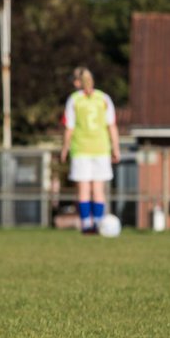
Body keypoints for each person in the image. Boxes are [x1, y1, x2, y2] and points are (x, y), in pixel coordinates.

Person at [59, 67, 120, 234]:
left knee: (84, 189)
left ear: (78, 82)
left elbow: (69, 128)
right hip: (101, 148)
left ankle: (87, 225)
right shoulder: (104, 98)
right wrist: (116, 148)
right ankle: (100, 223)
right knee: (98, 189)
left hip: (81, 149)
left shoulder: (74, 100)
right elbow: (111, 126)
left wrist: (65, 148)